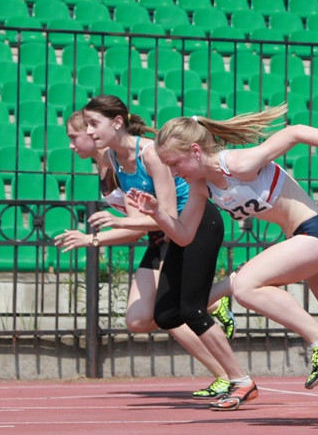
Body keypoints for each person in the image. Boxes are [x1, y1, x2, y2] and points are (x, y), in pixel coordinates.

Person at [129, 104, 318, 425]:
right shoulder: (204, 186)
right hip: (306, 238)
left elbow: (294, 132)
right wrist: (158, 214)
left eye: (175, 164)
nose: (174, 172)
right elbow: (185, 236)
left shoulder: (238, 163)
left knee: (246, 284)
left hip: (317, 231)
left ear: (195, 150)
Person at [54, 98, 253, 409]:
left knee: (188, 310)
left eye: (94, 124)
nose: (89, 131)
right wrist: (92, 239)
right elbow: (141, 223)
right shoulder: (114, 159)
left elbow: (168, 214)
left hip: (194, 223)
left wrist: (103, 233)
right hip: (164, 235)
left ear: (117, 122)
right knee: (163, 316)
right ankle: (226, 356)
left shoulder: (150, 154)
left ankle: (237, 376)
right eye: (87, 125)